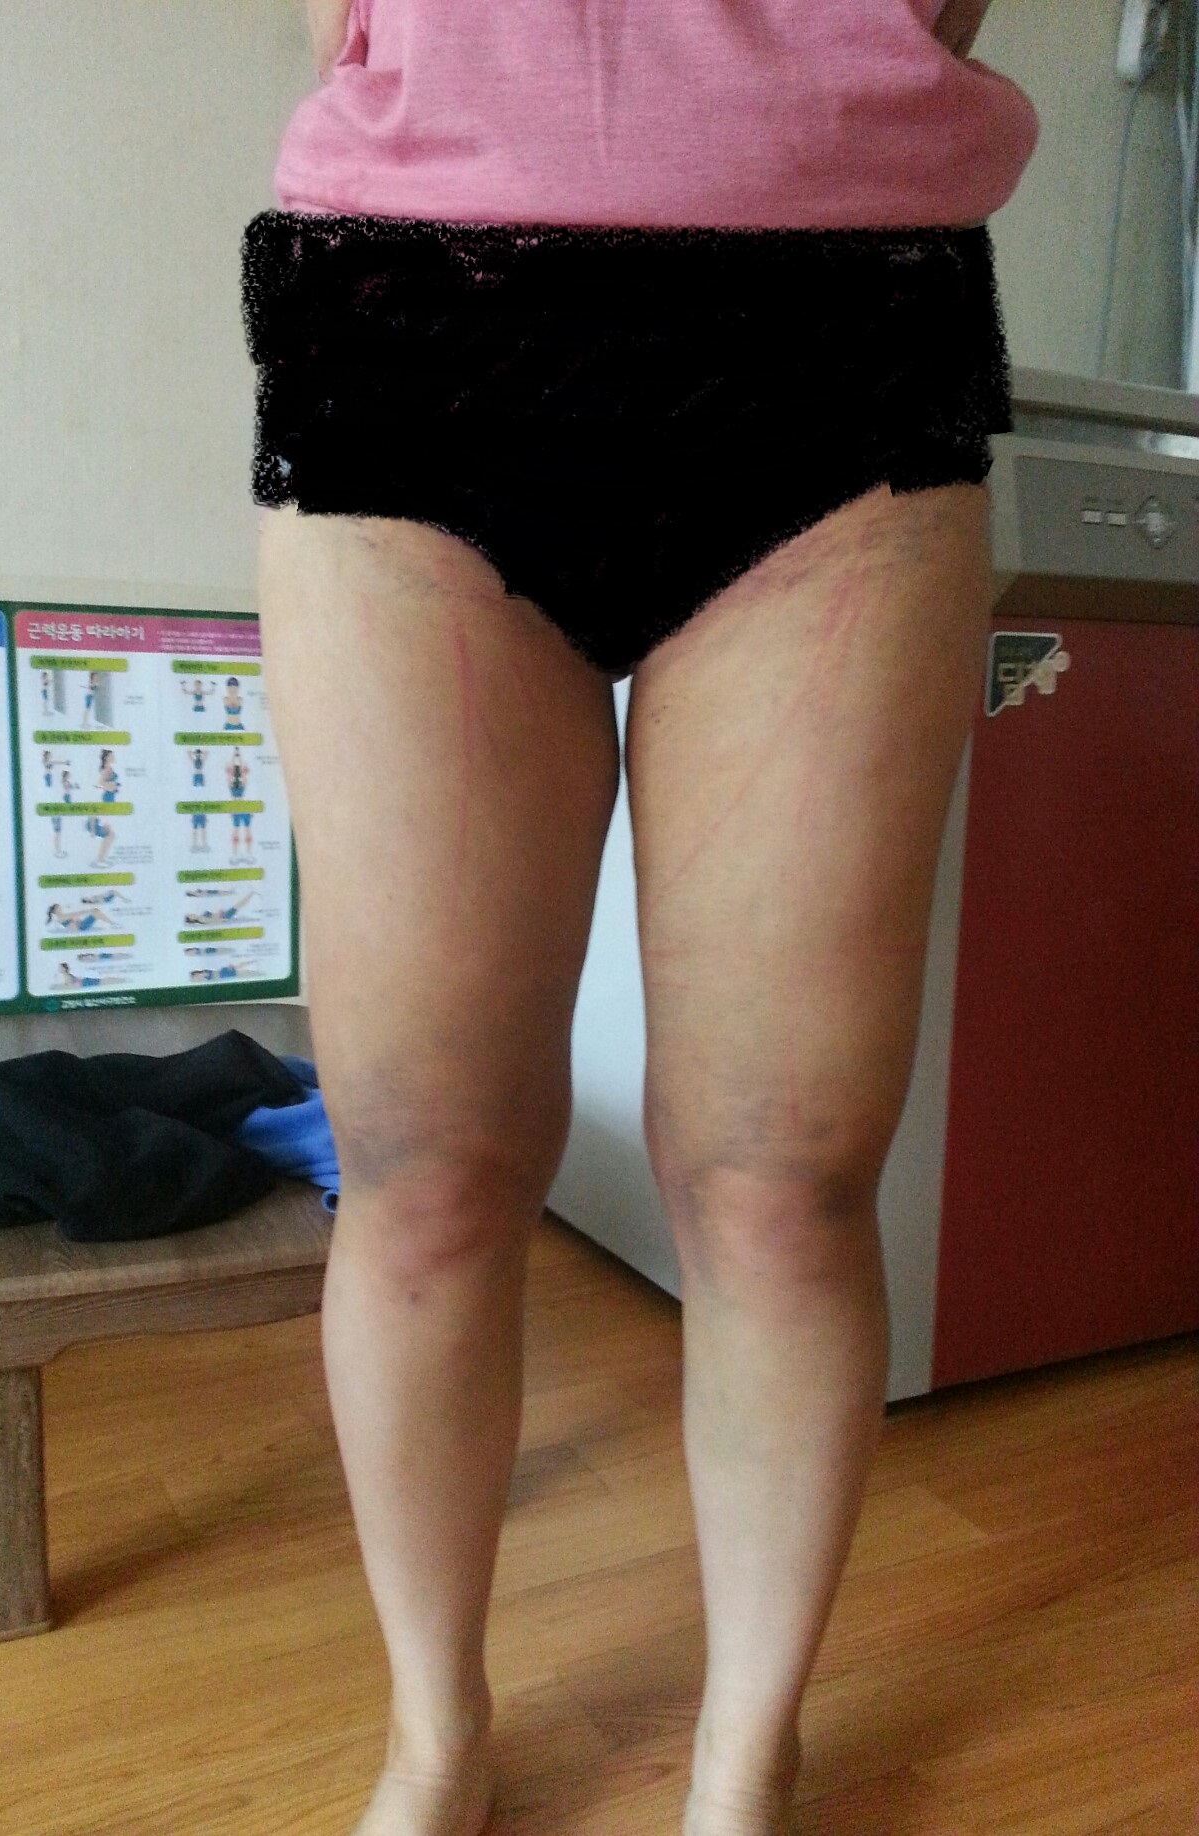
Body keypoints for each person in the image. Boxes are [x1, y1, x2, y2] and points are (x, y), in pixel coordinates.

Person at [244, 3, 1037, 1832]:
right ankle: (434, 1739)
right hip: (410, 328)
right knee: (423, 1156)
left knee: (781, 1177)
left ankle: (743, 1764)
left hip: (843, 340)